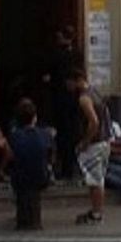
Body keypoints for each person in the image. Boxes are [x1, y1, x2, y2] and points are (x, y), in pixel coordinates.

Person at [70, 69, 112, 225]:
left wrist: (84, 143)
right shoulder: (96, 92)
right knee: (98, 179)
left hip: (95, 144)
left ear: (76, 81)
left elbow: (94, 122)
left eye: (70, 83)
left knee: (95, 180)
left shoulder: (84, 98)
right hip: (104, 141)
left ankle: (96, 213)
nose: (69, 87)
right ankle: (96, 210)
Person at [44, 26, 81, 179]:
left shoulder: (57, 55)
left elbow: (49, 76)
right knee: (70, 136)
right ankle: (69, 169)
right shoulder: (77, 54)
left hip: (60, 102)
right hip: (72, 103)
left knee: (62, 136)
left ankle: (63, 169)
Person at [9, 98, 51, 230]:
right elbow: (49, 154)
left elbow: (12, 155)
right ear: (35, 118)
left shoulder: (15, 135)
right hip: (41, 175)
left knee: (22, 185)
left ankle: (24, 219)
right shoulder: (44, 134)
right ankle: (34, 219)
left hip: (20, 177)